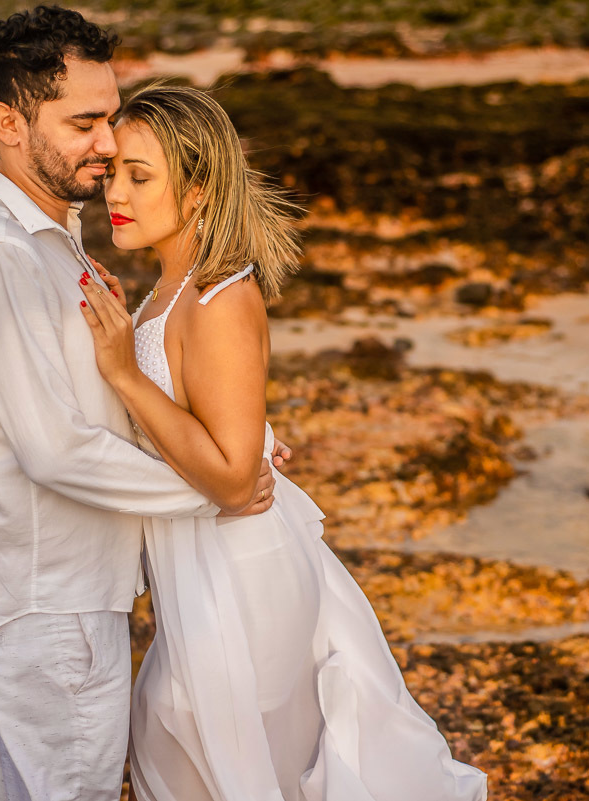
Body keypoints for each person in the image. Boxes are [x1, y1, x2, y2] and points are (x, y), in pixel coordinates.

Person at [77, 84, 488, 801]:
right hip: (200, 575)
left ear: (198, 190)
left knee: (213, 763)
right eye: (114, 172)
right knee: (192, 757)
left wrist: (124, 374)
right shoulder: (171, 288)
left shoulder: (219, 297)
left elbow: (236, 482)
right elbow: (206, 419)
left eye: (140, 177)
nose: (116, 192)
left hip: (240, 578)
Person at [0, 8, 286, 801]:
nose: (106, 142)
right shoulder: (3, 256)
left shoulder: (56, 239)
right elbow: (55, 449)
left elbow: (106, 401)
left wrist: (229, 432)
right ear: (9, 123)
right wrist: (220, 485)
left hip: (72, 590)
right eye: (83, 122)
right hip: (51, 599)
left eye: (109, 117)